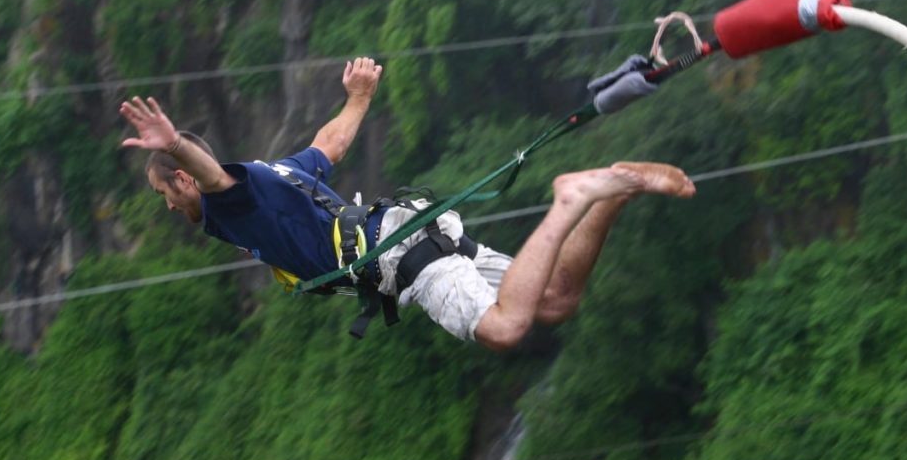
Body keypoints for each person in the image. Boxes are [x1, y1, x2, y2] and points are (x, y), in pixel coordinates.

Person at [119, 57, 695, 350]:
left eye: (164, 192)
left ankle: (571, 198)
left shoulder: (231, 201)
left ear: (185, 182)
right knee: (557, 300)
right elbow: (330, 145)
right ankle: (613, 190)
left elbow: (213, 177)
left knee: (505, 328)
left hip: (402, 258)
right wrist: (360, 97)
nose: (167, 207)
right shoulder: (278, 173)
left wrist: (171, 145)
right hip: (416, 232)